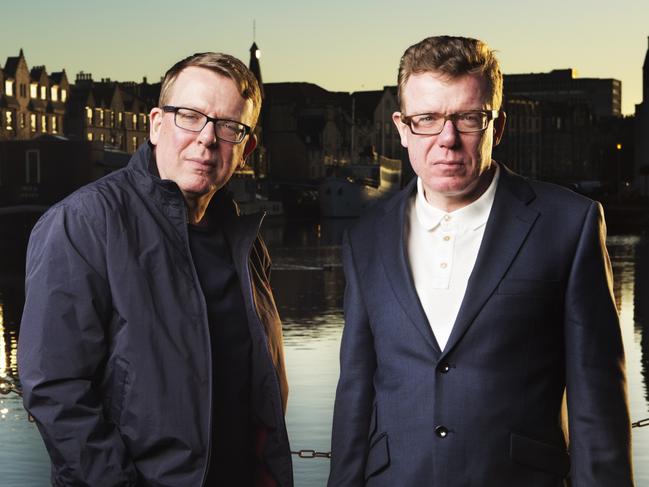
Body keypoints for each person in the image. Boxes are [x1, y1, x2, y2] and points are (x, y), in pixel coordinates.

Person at [328, 36, 633, 486]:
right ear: (402, 127)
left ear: (498, 125)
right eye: (428, 119)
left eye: (468, 118)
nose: (447, 139)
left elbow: (598, 405)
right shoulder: (365, 237)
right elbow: (355, 393)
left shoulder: (568, 224)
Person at [18, 52, 293, 487]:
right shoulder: (86, 223)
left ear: (246, 149)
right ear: (156, 124)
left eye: (228, 127)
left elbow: (258, 384)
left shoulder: (246, 243)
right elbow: (55, 390)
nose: (206, 138)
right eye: (190, 116)